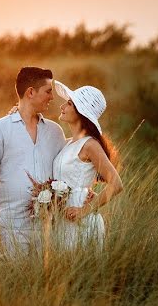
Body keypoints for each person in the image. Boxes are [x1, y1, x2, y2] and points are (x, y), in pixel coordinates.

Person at [0, 67, 66, 258]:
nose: (52, 97)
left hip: (48, 231)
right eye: (48, 91)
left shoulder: (55, 132)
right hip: (10, 230)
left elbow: (67, 167)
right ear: (31, 92)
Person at [50, 80, 124, 252]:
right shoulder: (67, 144)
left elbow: (117, 184)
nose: (62, 106)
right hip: (62, 217)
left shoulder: (90, 145)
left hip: (80, 217)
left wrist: (84, 210)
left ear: (81, 112)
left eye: (68, 103)